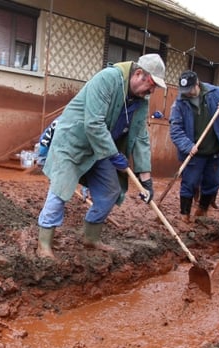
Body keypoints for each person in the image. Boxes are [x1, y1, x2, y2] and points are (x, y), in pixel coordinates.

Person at [36, 53, 166, 258]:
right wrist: (113, 154)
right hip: (74, 143)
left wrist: (146, 180)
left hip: (102, 149)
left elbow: (141, 137)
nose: (152, 90)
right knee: (60, 190)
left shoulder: (141, 101)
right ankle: (43, 244)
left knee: (110, 191)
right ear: (138, 73)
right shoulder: (108, 79)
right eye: (151, 84)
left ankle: (90, 237)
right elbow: (93, 123)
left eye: (155, 87)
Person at [169, 70, 219, 222]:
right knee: (189, 183)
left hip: (214, 151)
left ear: (197, 84)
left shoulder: (216, 93)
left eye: (190, 90)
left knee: (213, 182)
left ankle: (202, 210)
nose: (187, 93)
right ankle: (184, 215)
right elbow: (175, 130)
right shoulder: (180, 103)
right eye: (184, 90)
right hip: (194, 152)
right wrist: (187, 146)